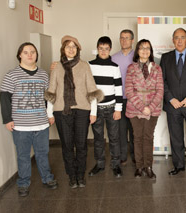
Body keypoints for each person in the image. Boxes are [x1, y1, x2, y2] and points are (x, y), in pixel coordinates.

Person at [45, 35, 103, 188]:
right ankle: (71, 175)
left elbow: (92, 89)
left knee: (82, 145)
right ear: (63, 49)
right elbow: (52, 90)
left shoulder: (84, 66)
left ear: (78, 49)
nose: (71, 49)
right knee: (67, 145)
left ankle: (80, 175)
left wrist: (93, 112)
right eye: (68, 46)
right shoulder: (56, 67)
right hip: (61, 111)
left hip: (82, 110)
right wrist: (49, 113)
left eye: (74, 46)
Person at [0, 42, 58, 197]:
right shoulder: (11, 75)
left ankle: (47, 178)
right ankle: (24, 183)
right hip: (20, 126)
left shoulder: (43, 74)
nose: (30, 55)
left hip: (41, 123)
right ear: (20, 55)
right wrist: (7, 119)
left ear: (36, 55)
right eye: (26, 52)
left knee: (42, 153)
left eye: (32, 52)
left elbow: (48, 97)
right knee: (23, 156)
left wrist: (49, 114)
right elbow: (4, 98)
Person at [160, 28, 186, 179]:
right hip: (173, 105)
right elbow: (162, 81)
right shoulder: (165, 58)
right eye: (176, 38)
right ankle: (178, 165)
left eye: (182, 37)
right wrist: (171, 99)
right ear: (172, 40)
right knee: (176, 136)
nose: (179, 40)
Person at [125, 39, 164, 179]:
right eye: (142, 48)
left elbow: (160, 91)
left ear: (151, 51)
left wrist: (150, 108)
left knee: (148, 137)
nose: (145, 50)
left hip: (152, 110)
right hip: (135, 109)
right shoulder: (131, 68)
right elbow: (129, 91)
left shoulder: (157, 68)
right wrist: (142, 108)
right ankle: (139, 167)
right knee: (137, 138)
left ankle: (148, 167)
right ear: (137, 51)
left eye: (148, 48)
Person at [88, 36, 123, 178]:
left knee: (114, 138)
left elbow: (119, 89)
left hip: (111, 107)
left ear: (110, 50)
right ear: (97, 49)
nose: (103, 51)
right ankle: (100, 163)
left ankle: (116, 164)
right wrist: (92, 111)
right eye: (101, 49)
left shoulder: (115, 67)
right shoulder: (89, 66)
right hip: (96, 109)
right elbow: (89, 90)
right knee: (98, 138)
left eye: (106, 49)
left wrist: (118, 109)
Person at [112, 29, 135, 165]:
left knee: (133, 129)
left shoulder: (137, 56)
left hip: (134, 99)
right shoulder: (113, 58)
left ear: (132, 40)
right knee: (120, 129)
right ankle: (122, 156)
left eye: (127, 38)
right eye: (122, 38)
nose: (124, 40)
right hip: (119, 99)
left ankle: (134, 155)